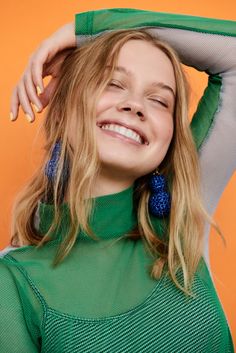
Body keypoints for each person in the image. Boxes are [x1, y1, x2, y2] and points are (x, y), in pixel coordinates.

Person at [1, 8, 235, 352]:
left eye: (158, 100)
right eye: (112, 83)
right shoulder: (15, 282)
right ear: (65, 109)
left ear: (169, 139)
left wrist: (83, 30)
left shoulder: (180, 227)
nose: (135, 105)